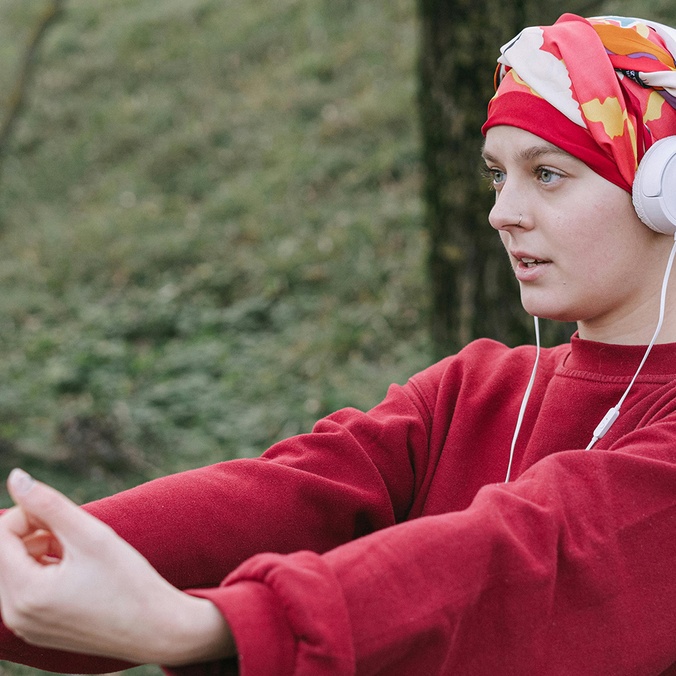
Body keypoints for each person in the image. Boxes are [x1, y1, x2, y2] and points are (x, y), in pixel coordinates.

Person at [0, 12, 675, 675]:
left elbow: (517, 556)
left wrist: (212, 627)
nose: (503, 211)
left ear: (662, 195)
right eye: (498, 174)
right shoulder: (473, 389)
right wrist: (43, 555)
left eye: (547, 173)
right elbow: (287, 493)